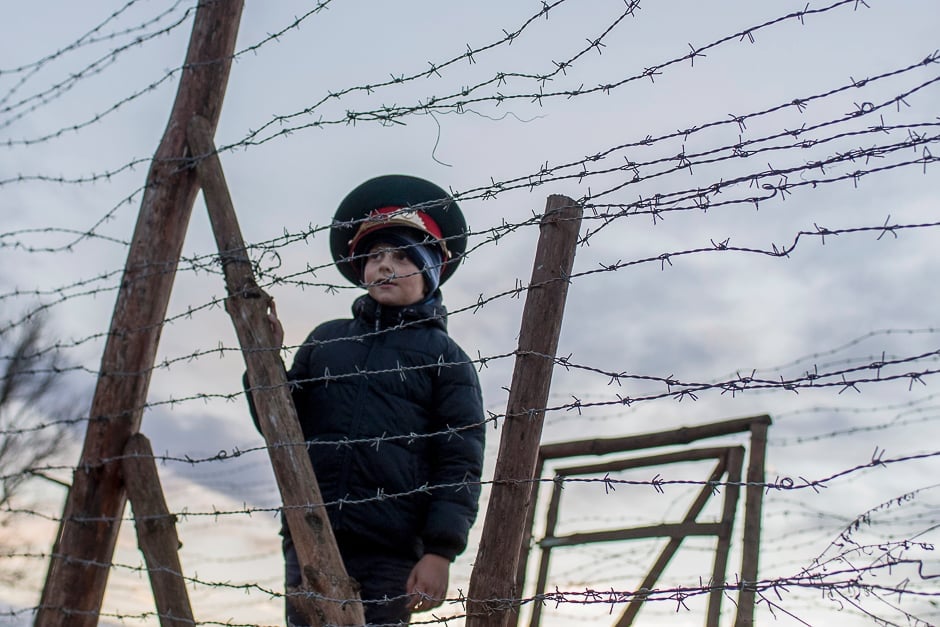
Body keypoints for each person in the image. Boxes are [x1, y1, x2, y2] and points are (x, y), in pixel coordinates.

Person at [245, 175, 486, 626]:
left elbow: (459, 462)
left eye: (401, 257)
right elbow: (281, 425)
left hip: (391, 552)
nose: (385, 267)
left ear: (431, 272)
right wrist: (266, 362)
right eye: (375, 256)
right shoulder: (325, 341)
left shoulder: (445, 359)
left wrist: (440, 551)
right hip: (309, 535)